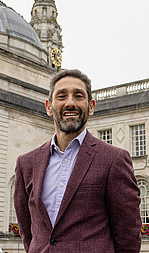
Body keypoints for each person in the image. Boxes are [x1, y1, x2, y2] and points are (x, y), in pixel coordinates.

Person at [14, 69, 141, 252]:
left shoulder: (114, 160)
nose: (70, 103)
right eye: (62, 96)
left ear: (91, 106)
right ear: (49, 107)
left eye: (79, 96)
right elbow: (28, 231)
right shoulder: (26, 163)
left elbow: (128, 235)